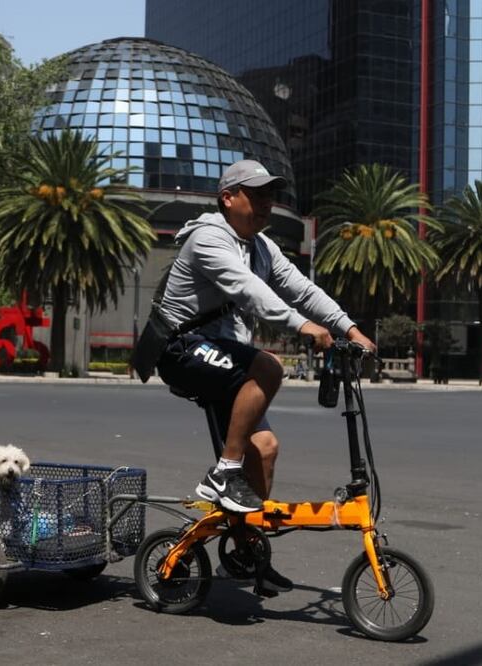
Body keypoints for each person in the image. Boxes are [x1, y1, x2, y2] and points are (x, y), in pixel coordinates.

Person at [155, 159, 375, 592]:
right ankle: (224, 471)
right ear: (228, 198)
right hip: (182, 348)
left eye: (270, 196)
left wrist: (348, 328)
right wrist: (302, 326)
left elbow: (302, 289)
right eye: (256, 195)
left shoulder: (261, 247)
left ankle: (245, 549)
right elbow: (249, 289)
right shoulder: (208, 238)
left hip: (224, 357)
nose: (266, 204)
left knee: (266, 448)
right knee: (269, 366)